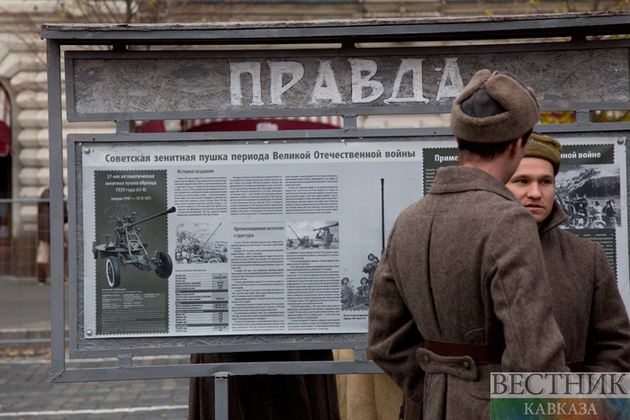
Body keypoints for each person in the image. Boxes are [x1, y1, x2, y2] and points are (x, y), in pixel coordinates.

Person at [367, 69, 568, 420]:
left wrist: (438, 387)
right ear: (517, 143)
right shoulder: (509, 220)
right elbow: (534, 355)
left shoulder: (408, 219)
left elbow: (384, 342)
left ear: (458, 141)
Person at [506, 133, 630, 371]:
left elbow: (614, 345)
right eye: (522, 181)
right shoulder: (472, 250)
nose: (535, 193)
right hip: (488, 405)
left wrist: (582, 399)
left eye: (545, 182)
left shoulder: (586, 256)